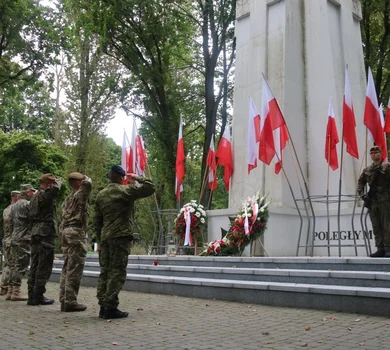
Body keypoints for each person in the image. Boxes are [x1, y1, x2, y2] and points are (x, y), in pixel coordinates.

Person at [94, 165, 155, 319]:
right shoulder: (125, 191)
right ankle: (110, 307)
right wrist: (136, 177)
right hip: (120, 237)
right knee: (117, 272)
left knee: (105, 271)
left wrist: (100, 240)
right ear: (121, 177)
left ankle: (102, 306)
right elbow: (150, 187)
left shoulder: (100, 195)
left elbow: (97, 221)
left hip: (105, 237)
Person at [59, 172, 92, 312]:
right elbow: (89, 184)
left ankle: (64, 299)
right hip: (75, 232)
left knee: (67, 267)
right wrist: (85, 177)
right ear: (78, 183)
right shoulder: (79, 194)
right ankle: (70, 301)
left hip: (66, 232)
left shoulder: (67, 199)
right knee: (74, 268)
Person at [27, 173, 62, 305]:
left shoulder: (35, 196)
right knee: (44, 266)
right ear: (48, 184)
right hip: (45, 234)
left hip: (36, 232)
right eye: (52, 183)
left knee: (35, 265)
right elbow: (56, 189)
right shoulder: (44, 194)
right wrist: (58, 181)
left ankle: (32, 295)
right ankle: (38, 296)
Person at [357, 146, 390, 258]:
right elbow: (360, 183)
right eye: (372, 153)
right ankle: (380, 248)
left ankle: (388, 248)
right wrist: (363, 196)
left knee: (387, 225)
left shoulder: (387, 167)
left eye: (376, 152)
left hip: (385, 200)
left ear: (381, 154)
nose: (374, 155)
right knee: (376, 225)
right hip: (373, 201)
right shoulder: (367, 170)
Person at [8, 184, 36, 301]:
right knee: (21, 265)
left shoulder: (14, 206)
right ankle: (16, 292)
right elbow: (34, 215)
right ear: (28, 193)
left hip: (15, 236)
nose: (34, 194)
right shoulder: (27, 204)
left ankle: (10, 290)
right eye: (32, 192)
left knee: (14, 265)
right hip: (24, 238)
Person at [0, 191, 20, 297]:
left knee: (7, 264)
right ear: (16, 197)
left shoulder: (6, 209)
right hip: (12, 239)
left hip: (6, 239)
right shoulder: (14, 209)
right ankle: (8, 289)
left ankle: (4, 287)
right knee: (12, 265)